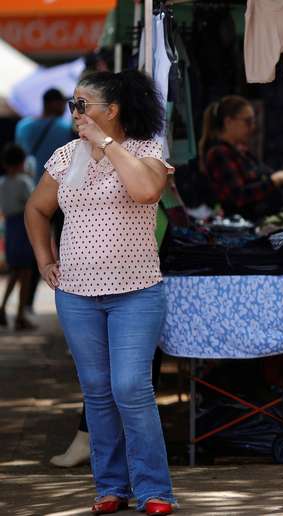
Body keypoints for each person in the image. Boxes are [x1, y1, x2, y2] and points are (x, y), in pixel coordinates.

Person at [25, 70, 177, 516]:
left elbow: (147, 191)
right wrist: (44, 261)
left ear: (111, 110)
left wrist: (107, 145)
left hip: (136, 292)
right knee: (96, 391)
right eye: (73, 105)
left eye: (82, 104)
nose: (75, 113)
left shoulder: (146, 150)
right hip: (76, 294)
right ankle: (110, 486)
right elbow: (36, 209)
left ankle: (154, 490)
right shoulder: (64, 155)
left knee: (131, 386)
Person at [199, 95, 283, 220]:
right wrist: (277, 179)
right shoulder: (219, 154)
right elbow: (238, 196)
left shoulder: (242, 153)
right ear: (228, 122)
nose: (253, 127)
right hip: (241, 228)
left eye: (253, 122)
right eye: (247, 122)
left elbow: (268, 178)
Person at [15, 88, 74, 314]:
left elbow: (19, 156)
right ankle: (66, 289)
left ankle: (26, 303)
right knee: (62, 244)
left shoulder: (24, 126)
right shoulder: (63, 128)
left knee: (33, 247)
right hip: (60, 193)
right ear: (54, 104)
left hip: (31, 193)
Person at [0, 144, 36, 330]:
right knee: (27, 273)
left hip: (11, 228)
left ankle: (3, 307)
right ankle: (20, 315)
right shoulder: (24, 181)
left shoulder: (3, 182)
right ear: (22, 162)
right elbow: (33, 204)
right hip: (24, 227)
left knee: (14, 271)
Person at [15, 88, 74, 182]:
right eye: (62, 103)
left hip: (27, 182)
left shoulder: (23, 126)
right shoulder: (65, 128)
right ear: (53, 104)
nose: (64, 107)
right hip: (53, 183)